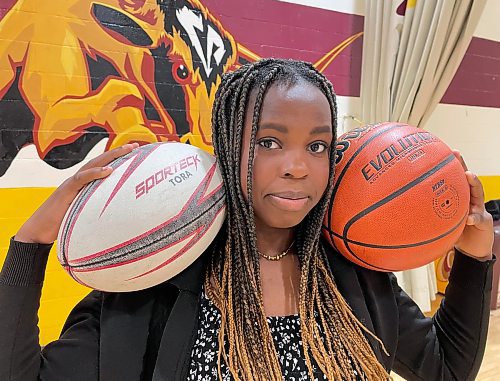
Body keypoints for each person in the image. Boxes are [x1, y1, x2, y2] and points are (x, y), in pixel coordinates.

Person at [0, 58, 495, 381]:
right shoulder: (160, 280)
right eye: (269, 142)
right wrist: (32, 240)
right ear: (228, 145)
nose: (298, 166)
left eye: (317, 145)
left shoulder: (351, 276)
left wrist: (474, 254)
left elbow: (447, 367)